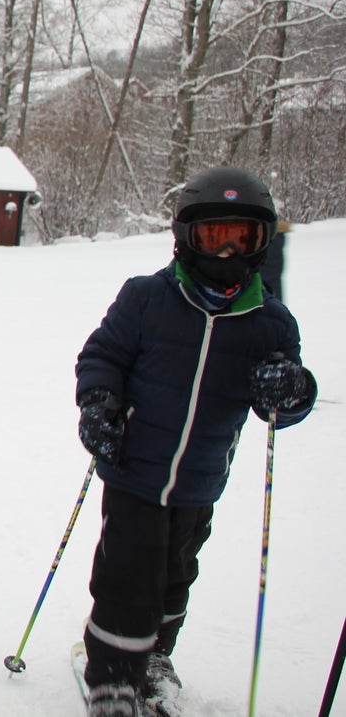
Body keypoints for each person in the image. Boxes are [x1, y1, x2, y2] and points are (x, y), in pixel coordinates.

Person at [73, 166, 315, 717]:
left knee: (176, 575)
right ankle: (112, 674)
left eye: (242, 239)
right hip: (134, 469)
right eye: (213, 237)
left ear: (262, 242)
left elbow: (280, 403)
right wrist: (98, 402)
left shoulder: (270, 323)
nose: (226, 253)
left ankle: (156, 655)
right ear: (187, 237)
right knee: (127, 576)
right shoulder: (145, 299)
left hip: (201, 479)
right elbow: (102, 357)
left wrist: (290, 390)